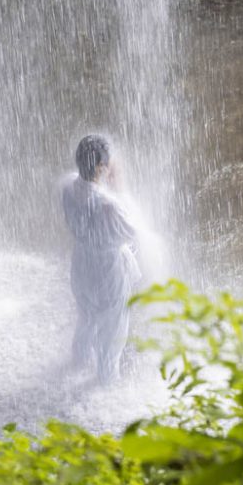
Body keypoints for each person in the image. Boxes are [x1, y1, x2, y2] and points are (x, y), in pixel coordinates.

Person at [61, 134, 142, 383]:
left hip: (81, 268)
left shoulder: (67, 189)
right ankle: (105, 391)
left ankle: (77, 364)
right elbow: (132, 231)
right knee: (111, 337)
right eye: (107, 162)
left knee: (86, 318)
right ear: (100, 167)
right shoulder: (109, 204)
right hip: (109, 275)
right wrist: (120, 189)